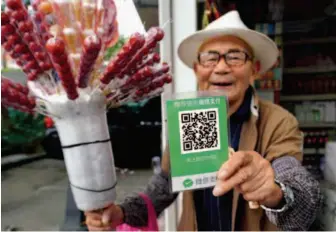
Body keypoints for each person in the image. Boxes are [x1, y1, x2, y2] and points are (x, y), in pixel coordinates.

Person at [85, 10, 322, 231]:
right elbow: (166, 185)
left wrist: (275, 192)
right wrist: (121, 212)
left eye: (235, 57)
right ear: (197, 69)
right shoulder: (190, 117)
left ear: (255, 69)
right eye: (210, 58)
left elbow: (298, 186)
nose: (221, 67)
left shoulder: (278, 122)